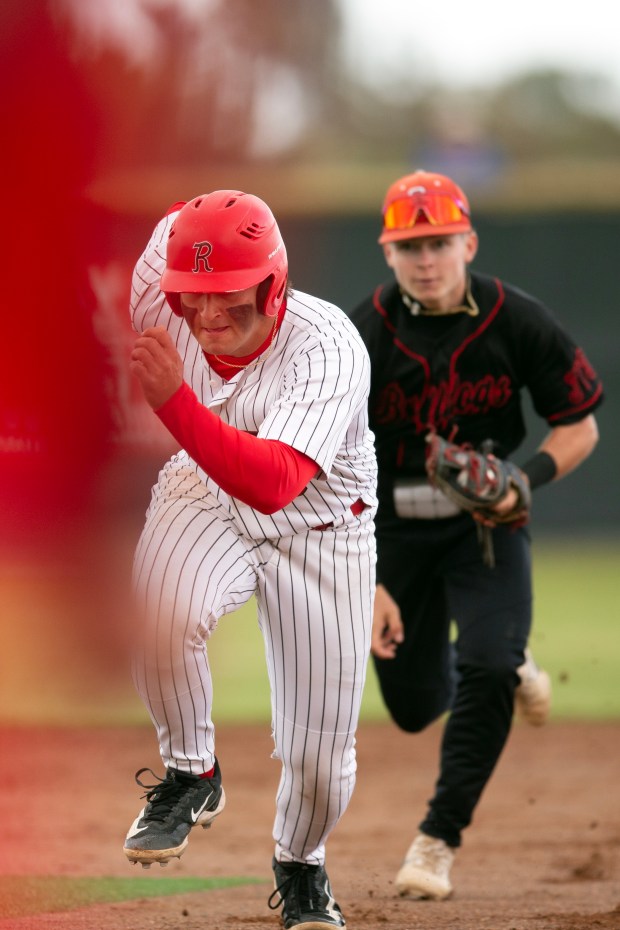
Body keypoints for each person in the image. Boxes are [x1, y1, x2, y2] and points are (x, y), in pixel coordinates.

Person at [125, 190, 378, 930]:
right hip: (207, 488)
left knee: (320, 763)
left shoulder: (326, 343)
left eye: (227, 295)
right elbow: (175, 225)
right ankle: (191, 771)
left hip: (322, 525)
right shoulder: (162, 281)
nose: (204, 313)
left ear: (274, 285)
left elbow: (274, 483)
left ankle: (301, 867)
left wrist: (174, 403)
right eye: (190, 294)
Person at [349, 170, 603, 900]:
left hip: (485, 529)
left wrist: (528, 479)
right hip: (389, 534)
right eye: (409, 246)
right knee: (413, 705)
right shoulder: (359, 334)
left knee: (485, 664)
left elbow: (578, 423)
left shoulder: (516, 319)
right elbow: (316, 463)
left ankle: (436, 841)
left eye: (438, 243)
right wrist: (365, 579)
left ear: (469, 242)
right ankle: (509, 667)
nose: (426, 260)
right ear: (387, 253)